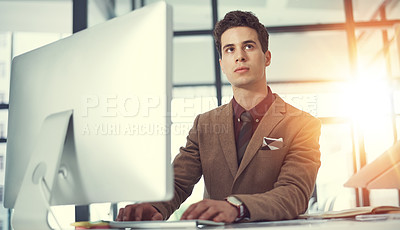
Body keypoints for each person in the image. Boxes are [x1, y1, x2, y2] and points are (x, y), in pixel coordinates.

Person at [117, 10, 321, 224]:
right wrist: (152, 206)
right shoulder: (204, 125)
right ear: (223, 64)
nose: (239, 56)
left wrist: (237, 207)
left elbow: (294, 193)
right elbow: (178, 183)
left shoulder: (302, 124)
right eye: (230, 49)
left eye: (248, 46)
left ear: (267, 57)